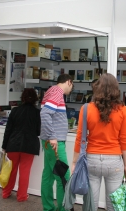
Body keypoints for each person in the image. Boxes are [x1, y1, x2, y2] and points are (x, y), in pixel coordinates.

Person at [72, 73, 126, 211]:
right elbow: (125, 139)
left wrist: (74, 162)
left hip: (92, 159)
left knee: (90, 203)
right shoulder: (123, 110)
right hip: (114, 161)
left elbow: (80, 137)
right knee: (114, 205)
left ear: (98, 88)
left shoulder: (86, 108)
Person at [40, 74, 74, 211]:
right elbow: (45, 113)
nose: (71, 90)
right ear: (69, 82)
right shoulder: (57, 92)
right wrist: (52, 136)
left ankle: (48, 208)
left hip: (49, 142)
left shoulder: (51, 91)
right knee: (63, 177)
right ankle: (63, 208)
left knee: (48, 176)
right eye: (72, 86)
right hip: (55, 143)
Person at [1, 88, 41, 201]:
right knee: (25, 171)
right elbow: (38, 131)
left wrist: (4, 146)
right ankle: (21, 196)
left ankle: (6, 192)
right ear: (35, 99)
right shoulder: (37, 113)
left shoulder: (15, 111)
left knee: (11, 171)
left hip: (13, 144)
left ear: (22, 98)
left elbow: (8, 130)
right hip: (29, 146)